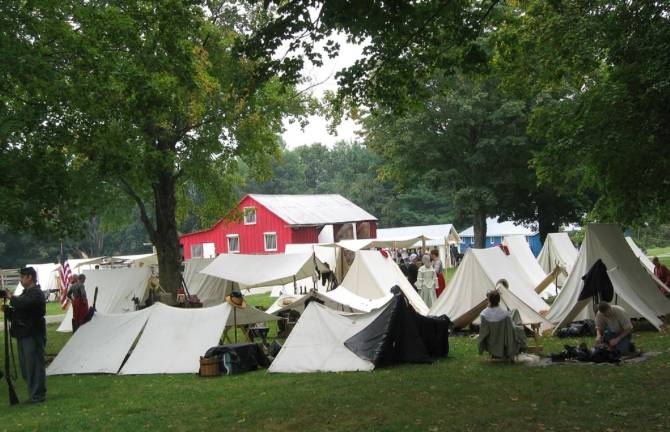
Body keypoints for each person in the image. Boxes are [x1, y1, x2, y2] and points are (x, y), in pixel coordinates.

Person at [4, 267, 47, 403]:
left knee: (34, 365)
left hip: (32, 333)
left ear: (29, 277)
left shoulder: (36, 293)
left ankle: (37, 395)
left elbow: (26, 304)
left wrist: (12, 298)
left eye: (22, 277)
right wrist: (7, 311)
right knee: (26, 367)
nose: (21, 280)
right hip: (23, 333)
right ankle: (33, 394)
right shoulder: (25, 293)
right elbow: (20, 313)